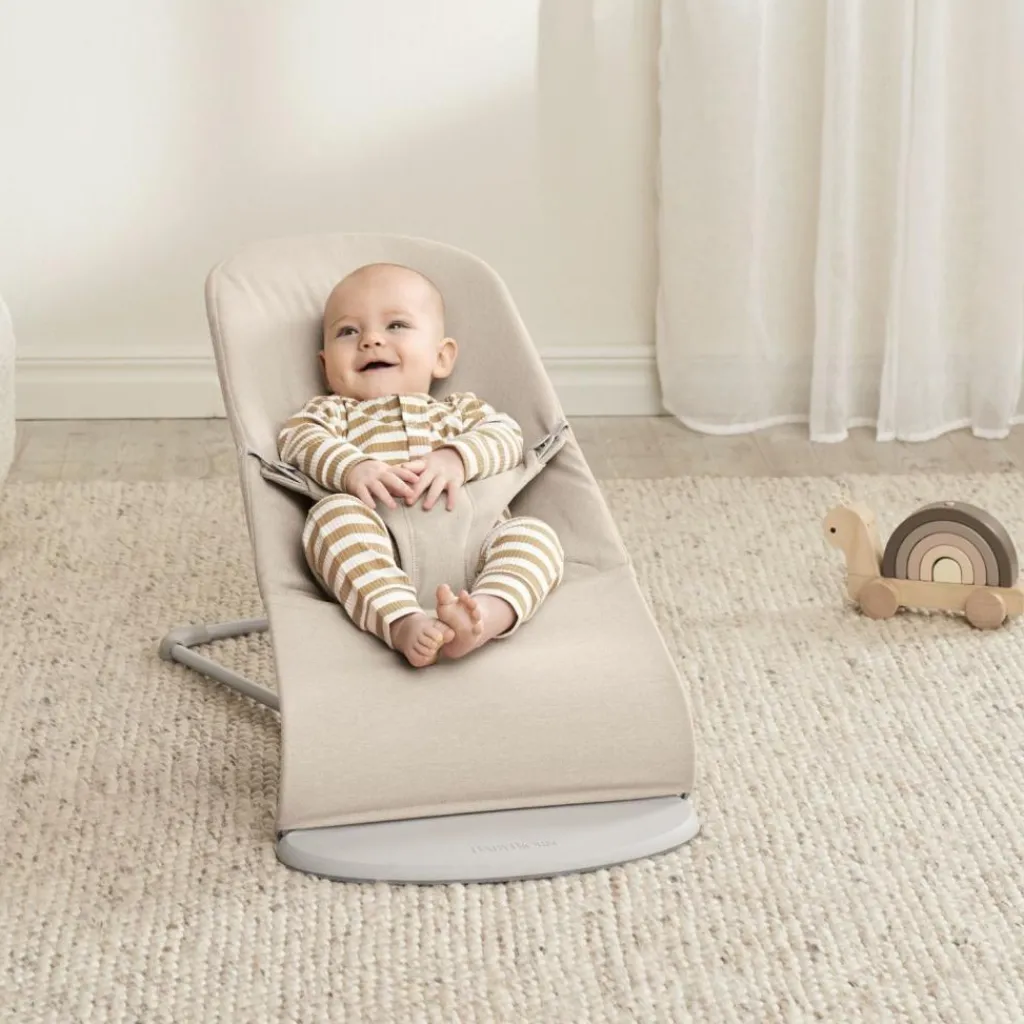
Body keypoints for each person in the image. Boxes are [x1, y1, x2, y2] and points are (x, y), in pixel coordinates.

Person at [277, 262, 564, 668]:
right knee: (331, 520)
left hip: (476, 546)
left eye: (396, 325)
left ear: (441, 357)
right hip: (381, 549)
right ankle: (401, 621)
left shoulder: (460, 410)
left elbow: (507, 437)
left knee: (535, 537)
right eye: (348, 331)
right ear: (325, 368)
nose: (371, 340)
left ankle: (484, 614)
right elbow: (298, 439)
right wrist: (353, 467)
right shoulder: (332, 413)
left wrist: (456, 457)